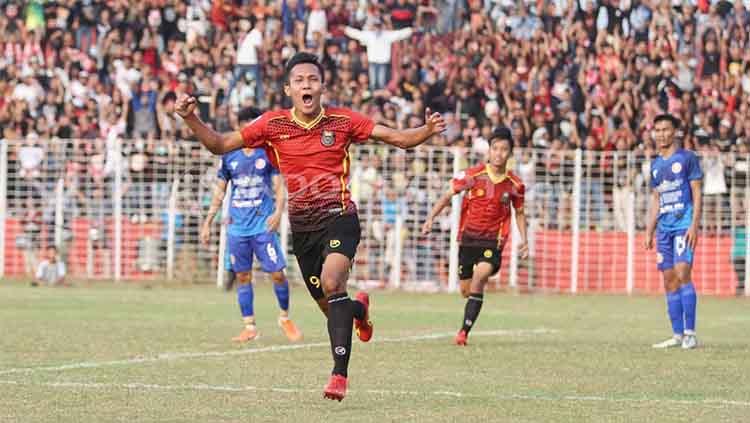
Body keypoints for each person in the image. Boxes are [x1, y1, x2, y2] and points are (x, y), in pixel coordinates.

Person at [175, 52, 446, 401]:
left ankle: (338, 377)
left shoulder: (343, 121)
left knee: (334, 282)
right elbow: (219, 145)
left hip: (340, 216)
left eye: (313, 79)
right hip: (303, 231)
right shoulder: (272, 125)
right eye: (300, 80)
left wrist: (426, 130)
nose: (307, 85)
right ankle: (359, 310)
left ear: (322, 86)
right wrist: (191, 118)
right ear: (288, 88)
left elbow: (397, 139)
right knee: (333, 307)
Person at [200, 106, 302, 344]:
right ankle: (250, 326)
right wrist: (208, 222)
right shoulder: (229, 156)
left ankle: (284, 317)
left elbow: (279, 187)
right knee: (242, 276)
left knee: (277, 273)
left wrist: (278, 211)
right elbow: (219, 192)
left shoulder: (266, 153)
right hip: (237, 228)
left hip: (262, 226)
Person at [421, 127, 529, 346]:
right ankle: (471, 306)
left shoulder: (515, 184)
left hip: (493, 241)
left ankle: (463, 333)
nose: (499, 153)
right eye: (495, 148)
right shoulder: (472, 175)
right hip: (468, 239)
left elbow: (519, 212)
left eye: (504, 149)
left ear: (510, 153)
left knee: (480, 277)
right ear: (489, 151)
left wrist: (524, 240)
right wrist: (431, 217)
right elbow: (447, 195)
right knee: (466, 290)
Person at [645, 114, 702, 350]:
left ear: (675, 131)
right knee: (668, 280)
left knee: (682, 272)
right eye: (657, 130)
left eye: (666, 129)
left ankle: (690, 333)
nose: (661, 134)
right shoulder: (655, 165)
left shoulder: (687, 158)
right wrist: (649, 230)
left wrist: (694, 225)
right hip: (664, 229)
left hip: (683, 225)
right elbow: (656, 198)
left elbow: (697, 193)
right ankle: (677, 335)